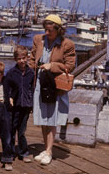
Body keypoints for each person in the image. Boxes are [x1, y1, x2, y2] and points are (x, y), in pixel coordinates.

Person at [29, 14, 76, 165]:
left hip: (54, 84)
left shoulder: (67, 44)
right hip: (40, 83)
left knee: (52, 118)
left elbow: (70, 66)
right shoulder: (38, 39)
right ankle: (46, 148)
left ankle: (49, 151)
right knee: (43, 117)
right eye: (46, 29)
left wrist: (53, 66)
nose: (47, 33)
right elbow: (32, 58)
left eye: (50, 30)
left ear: (58, 30)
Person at [6, 45, 34, 163]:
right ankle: (11, 152)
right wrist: (9, 98)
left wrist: (31, 104)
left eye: (24, 58)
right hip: (14, 106)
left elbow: (32, 89)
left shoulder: (31, 73)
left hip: (26, 106)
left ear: (27, 57)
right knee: (12, 129)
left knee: (21, 131)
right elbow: (6, 89)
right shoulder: (11, 73)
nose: (22, 61)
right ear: (15, 59)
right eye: (19, 59)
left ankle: (23, 152)